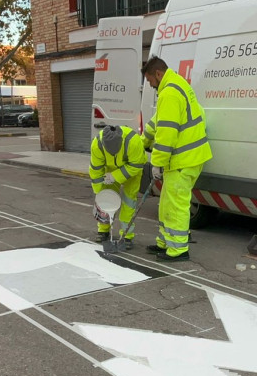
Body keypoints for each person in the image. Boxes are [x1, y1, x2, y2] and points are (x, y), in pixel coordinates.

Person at [142, 56, 212, 262]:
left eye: (150, 81)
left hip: (183, 160)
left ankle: (178, 250)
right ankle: (165, 242)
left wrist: (157, 162)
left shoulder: (170, 93)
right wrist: (145, 139)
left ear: (158, 74)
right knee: (166, 203)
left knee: (177, 205)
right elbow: (160, 121)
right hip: (187, 158)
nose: (151, 86)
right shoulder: (178, 85)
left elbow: (167, 132)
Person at [89, 125, 148, 248]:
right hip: (108, 169)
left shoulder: (133, 142)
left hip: (131, 170)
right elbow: (96, 171)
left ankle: (126, 236)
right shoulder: (97, 145)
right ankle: (103, 230)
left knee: (129, 201)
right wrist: (99, 193)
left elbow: (136, 166)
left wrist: (115, 176)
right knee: (105, 200)